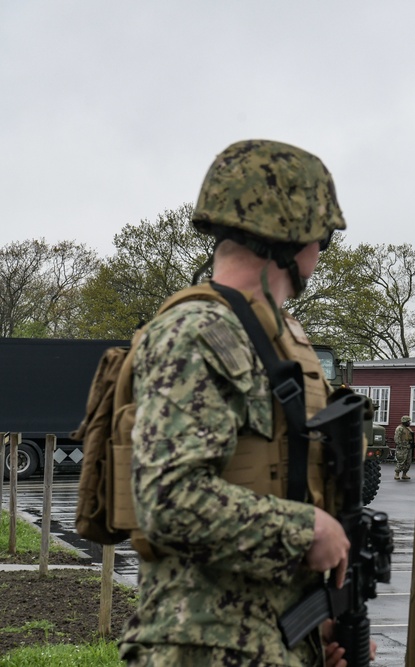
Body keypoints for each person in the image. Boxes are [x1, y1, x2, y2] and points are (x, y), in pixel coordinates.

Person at [119, 139, 373, 667]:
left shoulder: (275, 341)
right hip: (200, 644)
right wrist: (306, 529)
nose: (320, 256)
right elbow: (169, 499)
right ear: (291, 238)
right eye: (321, 239)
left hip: (265, 641)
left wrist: (314, 627)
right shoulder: (195, 334)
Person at [394, 415, 415, 480]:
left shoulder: (408, 428)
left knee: (408, 461)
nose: (409, 423)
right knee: (401, 460)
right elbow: (397, 438)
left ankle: (404, 474)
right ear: (404, 421)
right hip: (402, 447)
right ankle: (397, 474)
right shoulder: (399, 428)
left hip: (408, 447)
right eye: (408, 421)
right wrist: (400, 445)